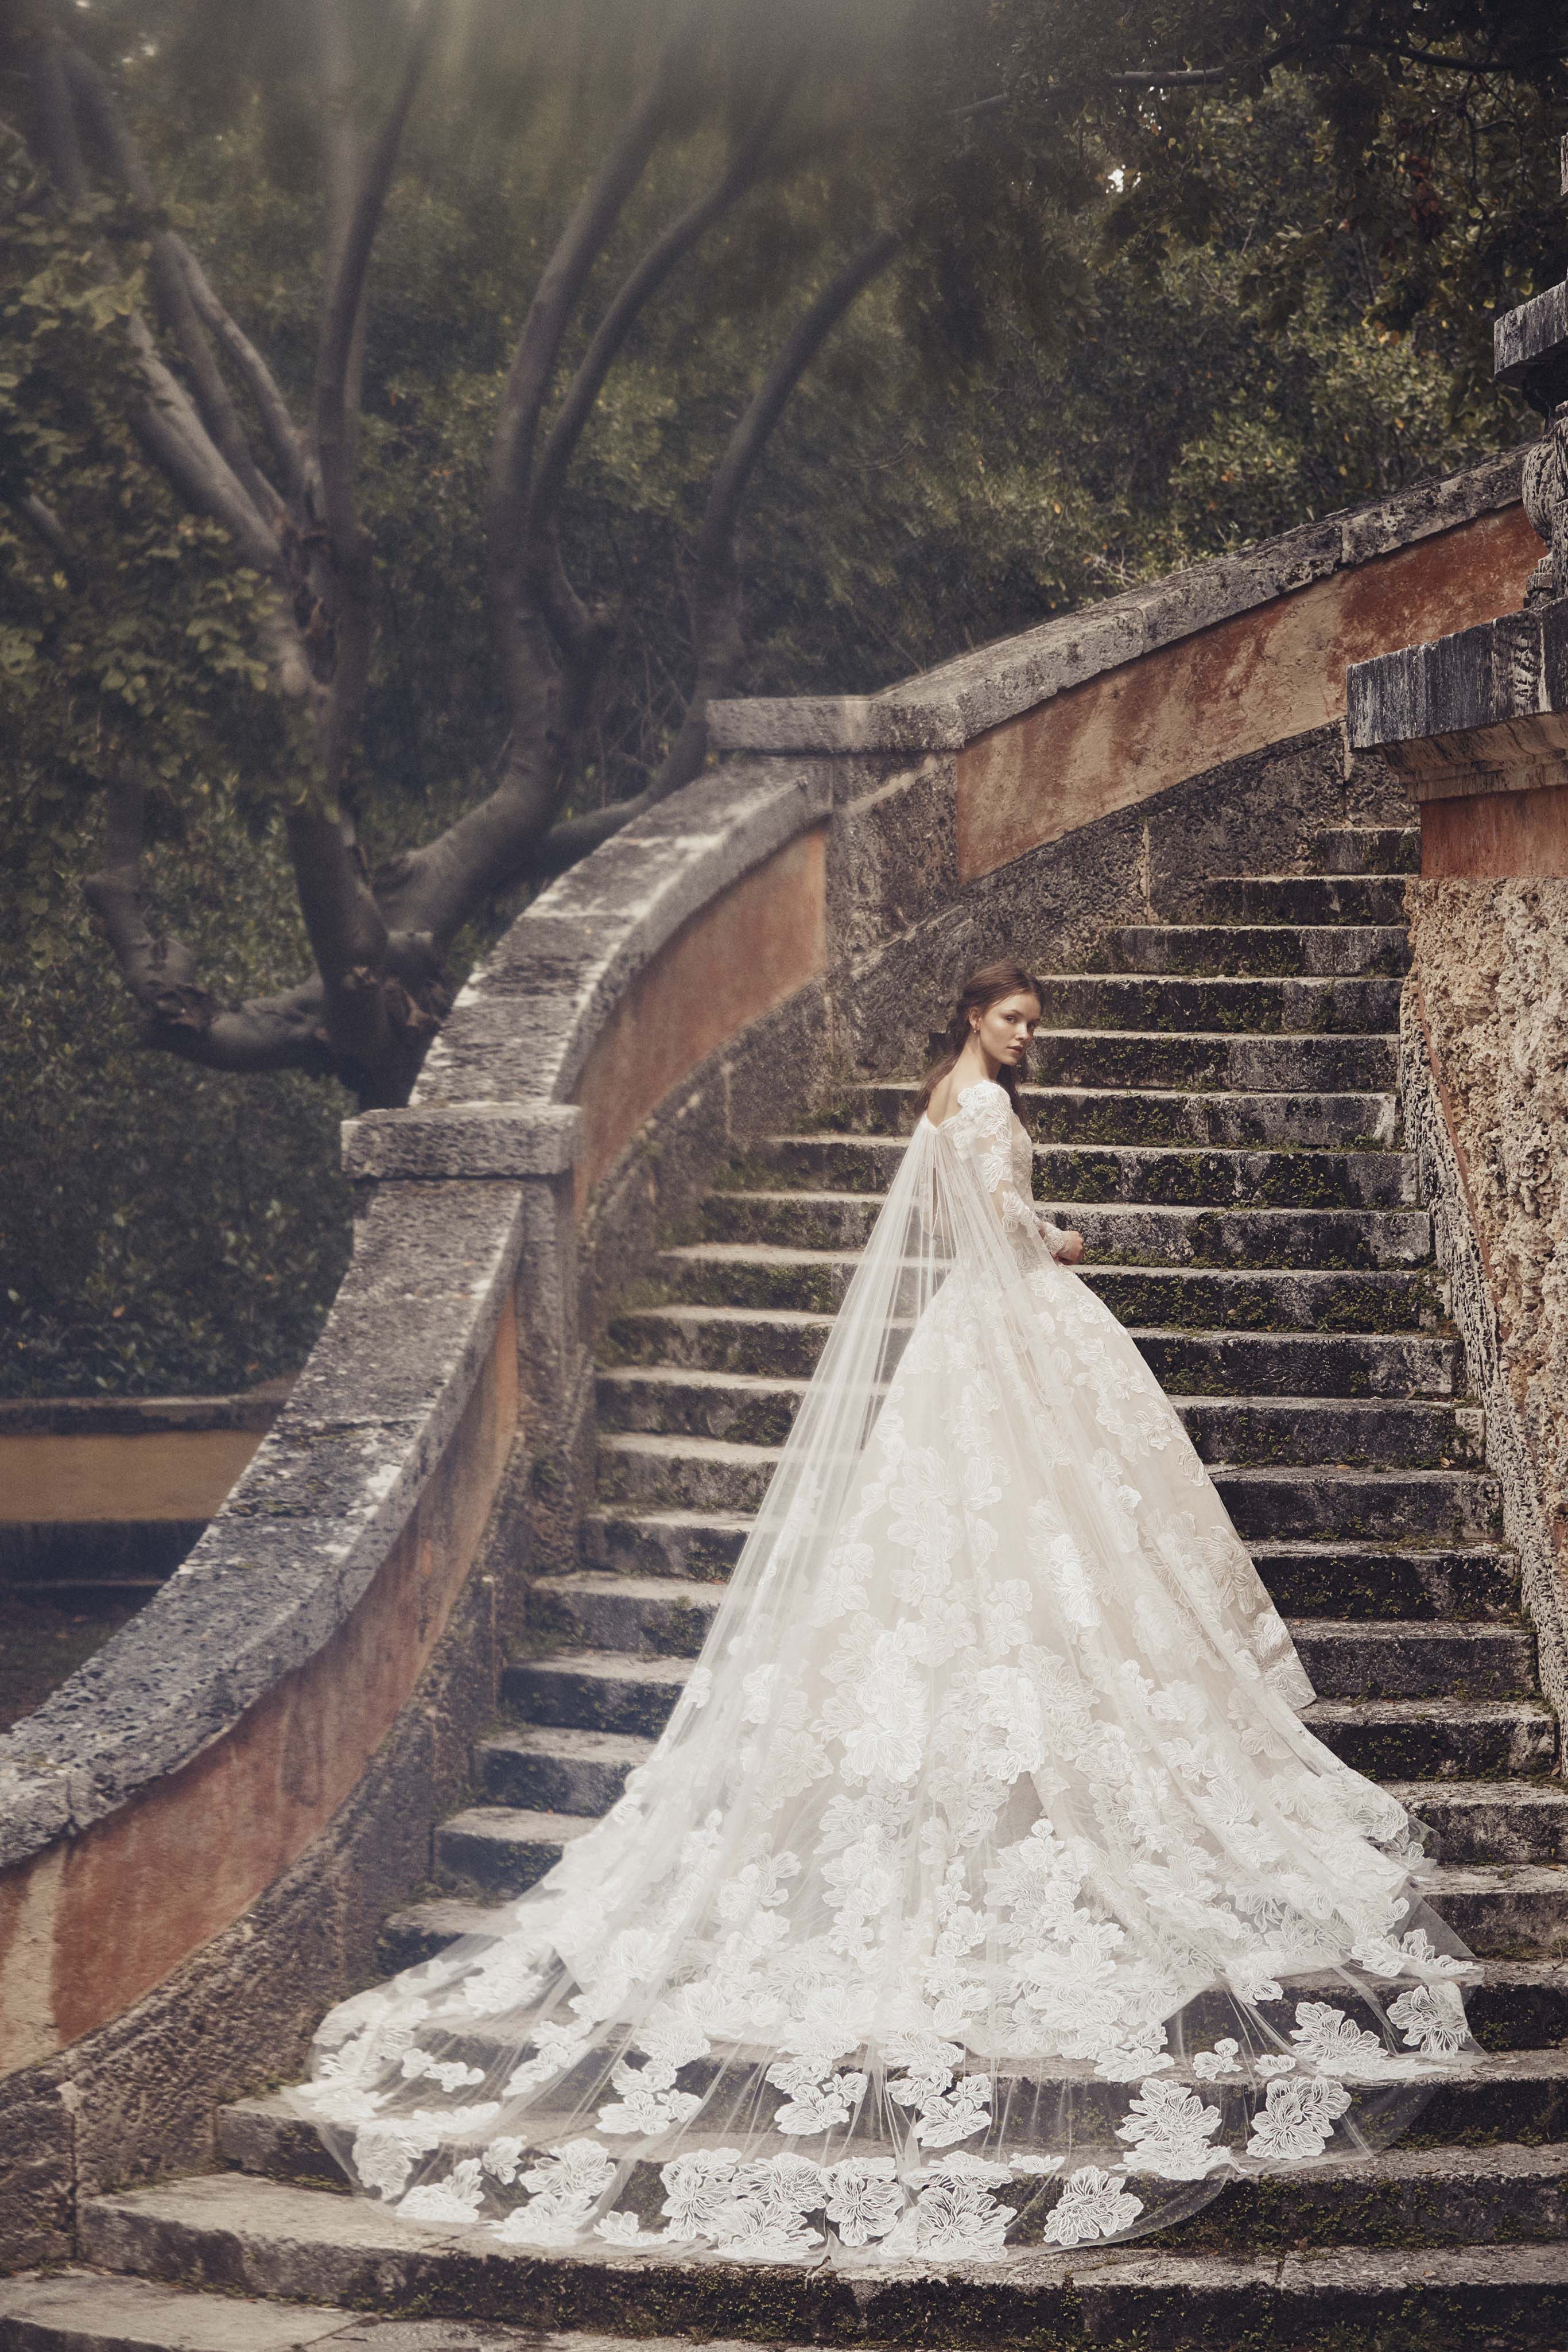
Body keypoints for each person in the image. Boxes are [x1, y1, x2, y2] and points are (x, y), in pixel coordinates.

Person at [291, 957, 1478, 2264]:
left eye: (1033, 1024)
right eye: (1014, 1019)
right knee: (1049, 1547)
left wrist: (1035, 1240)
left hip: (970, 1336)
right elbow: (1000, 1232)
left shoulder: (939, 1100)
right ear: (974, 1017)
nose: (1028, 1038)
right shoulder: (978, 1110)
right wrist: (1063, 1242)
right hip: (1010, 1326)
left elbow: (962, 1232)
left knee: (993, 1556)